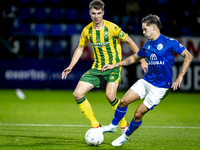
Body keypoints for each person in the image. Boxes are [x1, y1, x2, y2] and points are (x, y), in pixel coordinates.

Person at [102, 14, 193, 146]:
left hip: (160, 88)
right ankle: (112, 126)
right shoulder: (148, 45)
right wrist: (115, 65)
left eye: (145, 29)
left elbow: (188, 56)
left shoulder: (170, 43)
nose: (143, 32)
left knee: (138, 114)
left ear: (154, 28)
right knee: (123, 102)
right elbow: (134, 58)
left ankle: (125, 136)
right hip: (146, 81)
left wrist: (180, 76)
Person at [61, 0, 148, 134]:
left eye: (99, 13)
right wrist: (71, 65)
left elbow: (129, 41)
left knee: (110, 96)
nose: (96, 16)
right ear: (90, 13)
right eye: (93, 13)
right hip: (97, 68)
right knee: (77, 94)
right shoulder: (87, 30)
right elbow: (80, 48)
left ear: (103, 13)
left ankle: (123, 122)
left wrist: (141, 60)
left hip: (113, 66)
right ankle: (95, 125)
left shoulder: (112, 27)